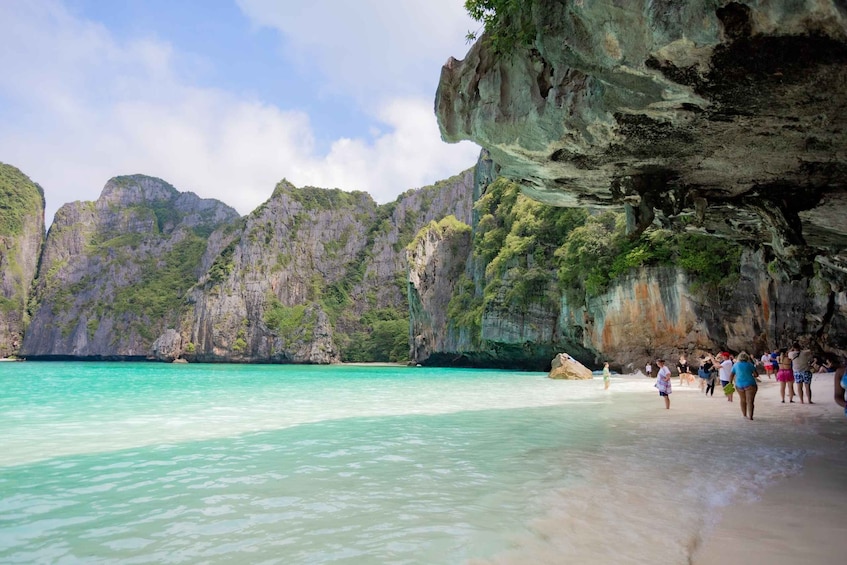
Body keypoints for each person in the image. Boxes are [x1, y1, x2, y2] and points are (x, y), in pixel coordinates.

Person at [731, 352, 759, 420]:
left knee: (742, 400)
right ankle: (751, 417)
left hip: (739, 385)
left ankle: (744, 415)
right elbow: (756, 375)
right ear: (747, 358)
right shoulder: (750, 365)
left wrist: (730, 383)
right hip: (750, 384)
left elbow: (731, 375)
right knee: (750, 401)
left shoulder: (735, 365)